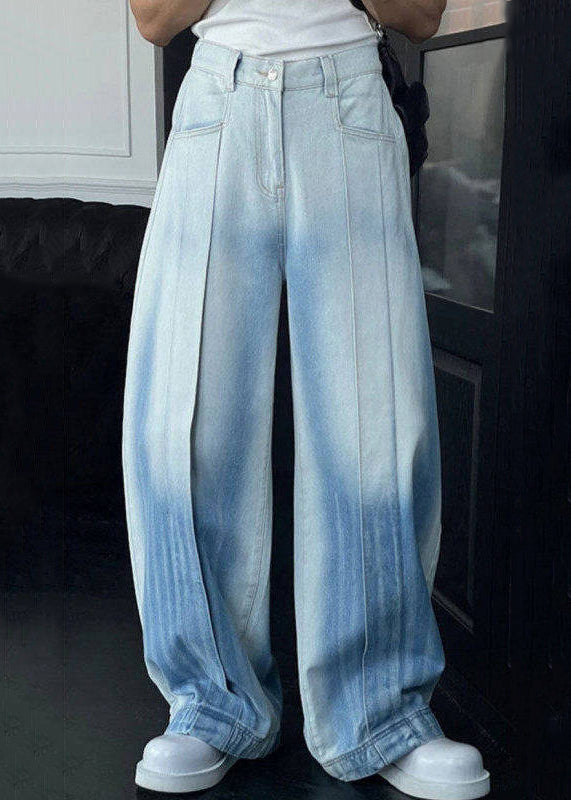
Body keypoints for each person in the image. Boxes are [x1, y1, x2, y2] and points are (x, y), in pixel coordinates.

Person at [122, 1, 491, 797]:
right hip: (217, 105)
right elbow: (153, 19)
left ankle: (379, 714)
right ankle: (209, 706)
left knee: (374, 428)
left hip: (348, 100)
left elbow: (421, 17)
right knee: (187, 425)